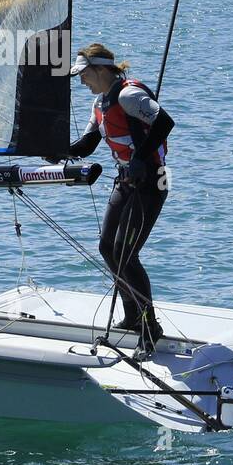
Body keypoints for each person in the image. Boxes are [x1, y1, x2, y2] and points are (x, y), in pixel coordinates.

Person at [60, 44, 174, 351]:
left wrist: (141, 158)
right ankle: (133, 316)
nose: (81, 81)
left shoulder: (128, 95)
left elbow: (165, 122)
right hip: (125, 181)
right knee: (107, 247)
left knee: (126, 252)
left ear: (100, 70)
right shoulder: (100, 103)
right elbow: (87, 143)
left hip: (151, 180)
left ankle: (151, 327)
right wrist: (60, 150)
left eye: (83, 74)